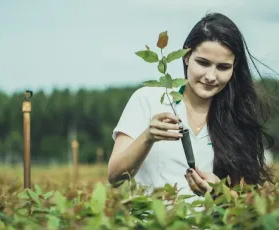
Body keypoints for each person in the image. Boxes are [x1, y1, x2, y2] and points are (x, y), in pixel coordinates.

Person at [107, 12, 276, 199]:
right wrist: (148, 137)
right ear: (186, 56)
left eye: (223, 67)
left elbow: (247, 204)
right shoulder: (148, 100)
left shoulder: (236, 118)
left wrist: (220, 194)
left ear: (234, 67)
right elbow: (115, 177)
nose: (211, 76)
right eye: (203, 63)